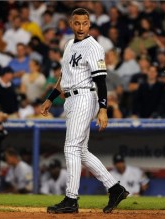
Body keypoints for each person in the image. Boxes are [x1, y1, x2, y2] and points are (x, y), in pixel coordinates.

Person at [40, 8, 129, 214]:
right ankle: (115, 188)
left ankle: (71, 199)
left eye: (85, 23)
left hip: (84, 97)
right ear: (71, 24)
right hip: (70, 99)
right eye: (77, 23)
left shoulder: (94, 47)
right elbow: (64, 77)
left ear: (90, 24)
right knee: (81, 151)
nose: (81, 27)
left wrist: (104, 109)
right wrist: (49, 100)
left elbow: (101, 80)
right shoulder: (69, 44)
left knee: (70, 147)